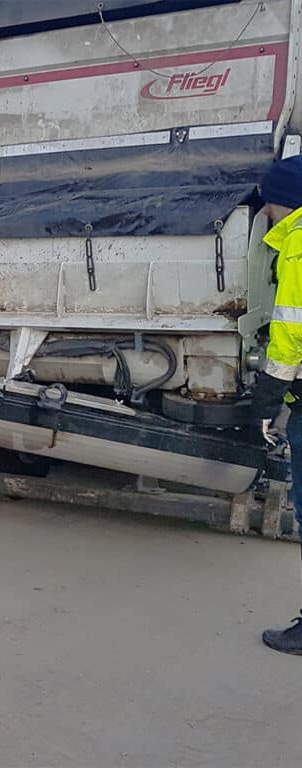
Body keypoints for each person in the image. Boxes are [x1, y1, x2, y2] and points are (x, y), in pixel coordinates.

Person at [251, 155, 302, 655]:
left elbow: (289, 338)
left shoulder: (299, 246)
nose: (264, 210)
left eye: (269, 200)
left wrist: (267, 400)